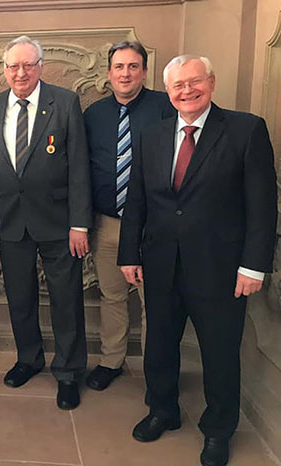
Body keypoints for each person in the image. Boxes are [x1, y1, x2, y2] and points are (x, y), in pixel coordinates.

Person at [118, 55, 276, 466]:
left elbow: (263, 204)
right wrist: (128, 252)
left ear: (212, 81)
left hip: (222, 268)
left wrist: (254, 265)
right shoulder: (150, 134)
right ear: (168, 91)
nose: (186, 91)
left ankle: (218, 429)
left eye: (194, 82)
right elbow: (137, 199)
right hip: (160, 262)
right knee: (159, 345)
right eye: (177, 86)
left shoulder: (245, 129)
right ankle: (162, 410)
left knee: (220, 353)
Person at [0, 35, 91, 410]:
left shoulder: (65, 102)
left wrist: (80, 224)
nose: (21, 72)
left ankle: (69, 372)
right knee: (20, 297)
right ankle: (29, 358)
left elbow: (79, 166)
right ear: (5, 70)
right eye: (13, 66)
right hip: (12, 220)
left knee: (66, 299)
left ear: (41, 66)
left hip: (59, 222)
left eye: (28, 65)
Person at [83, 41, 174, 391]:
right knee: (112, 295)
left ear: (145, 72)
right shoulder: (94, 114)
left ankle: (157, 371)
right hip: (107, 224)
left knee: (155, 301)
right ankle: (111, 360)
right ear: (108, 73)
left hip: (154, 225)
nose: (125, 73)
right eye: (119, 67)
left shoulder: (166, 108)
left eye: (133, 66)